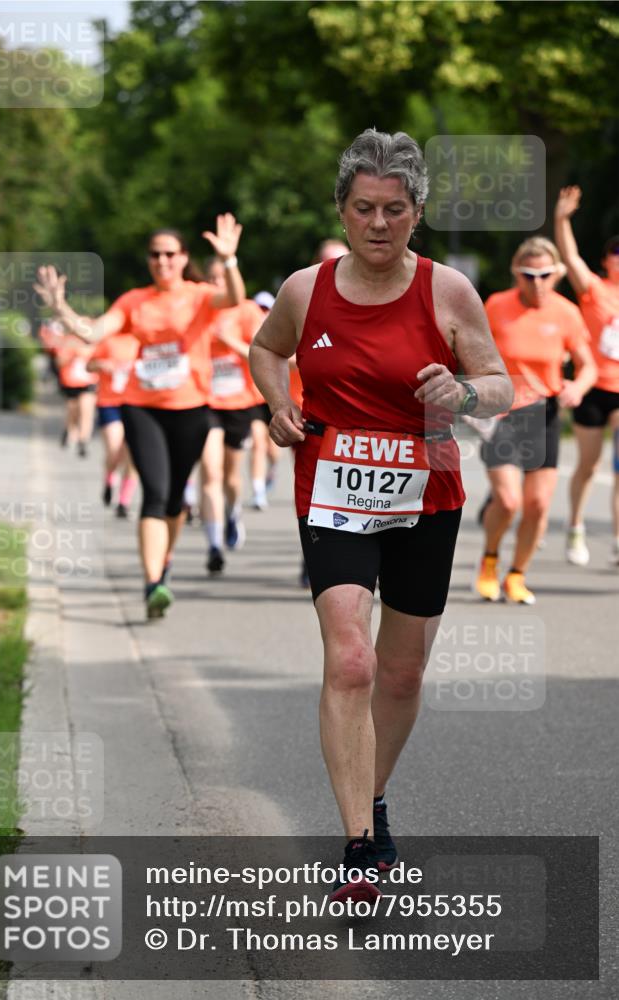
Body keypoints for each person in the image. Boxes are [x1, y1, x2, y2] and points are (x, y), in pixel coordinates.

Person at [249, 128, 513, 901]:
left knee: (399, 672)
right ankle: (360, 847)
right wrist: (276, 403)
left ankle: (373, 796)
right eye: (362, 208)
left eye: (393, 210)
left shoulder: (447, 292)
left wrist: (461, 393)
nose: (376, 224)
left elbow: (497, 382)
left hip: (424, 489)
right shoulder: (306, 289)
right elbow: (266, 350)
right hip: (331, 487)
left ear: (416, 212)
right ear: (340, 210)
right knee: (353, 659)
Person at [34, 214, 245, 618]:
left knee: (174, 503)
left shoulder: (200, 296)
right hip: (142, 408)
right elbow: (94, 332)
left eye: (169, 254)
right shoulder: (134, 301)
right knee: (154, 492)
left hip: (192, 410)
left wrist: (230, 260)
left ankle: (161, 562)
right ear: (148, 260)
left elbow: (233, 298)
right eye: (155, 255)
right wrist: (61, 309)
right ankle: (153, 584)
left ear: (183, 258)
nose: (162, 261)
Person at [475, 237, 597, 605]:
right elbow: (469, 352)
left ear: (557, 274)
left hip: (544, 413)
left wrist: (578, 386)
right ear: (516, 273)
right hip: (503, 412)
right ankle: (490, 561)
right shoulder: (496, 306)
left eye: (545, 274)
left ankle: (517, 575)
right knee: (509, 501)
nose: (537, 282)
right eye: (528, 275)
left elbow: (588, 363)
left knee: (539, 505)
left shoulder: (566, 313)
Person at [554, 187, 619, 566]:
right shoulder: (594, 290)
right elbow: (570, 257)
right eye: (616, 252)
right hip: (592, 387)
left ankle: (616, 537)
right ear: (605, 260)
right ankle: (575, 526)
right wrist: (562, 218)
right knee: (589, 465)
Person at [199, 259, 265, 573]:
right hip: (205, 402)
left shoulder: (248, 311)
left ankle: (233, 510)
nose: (216, 283)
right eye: (211, 278)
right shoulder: (201, 310)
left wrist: (229, 342)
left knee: (230, 476)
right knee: (210, 473)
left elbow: (261, 352)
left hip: (239, 403)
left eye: (222, 277)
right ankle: (213, 545)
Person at [86, 332, 140, 517]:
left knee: (133, 455)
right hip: (109, 403)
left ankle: (124, 502)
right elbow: (89, 365)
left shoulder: (141, 338)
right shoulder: (108, 339)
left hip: (136, 403)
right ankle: (109, 479)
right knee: (114, 450)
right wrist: (101, 364)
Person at [248, 291, 279, 510]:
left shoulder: (281, 333)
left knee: (272, 451)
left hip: (276, 399)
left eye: (267, 309)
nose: (263, 313)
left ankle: (272, 469)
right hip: (254, 398)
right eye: (259, 308)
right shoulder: (249, 332)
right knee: (258, 444)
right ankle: (258, 491)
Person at [54, 332, 98, 456]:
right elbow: (59, 361)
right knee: (72, 411)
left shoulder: (95, 342)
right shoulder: (69, 341)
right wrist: (73, 354)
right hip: (71, 382)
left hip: (89, 382)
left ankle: (83, 441)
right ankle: (68, 430)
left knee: (86, 411)